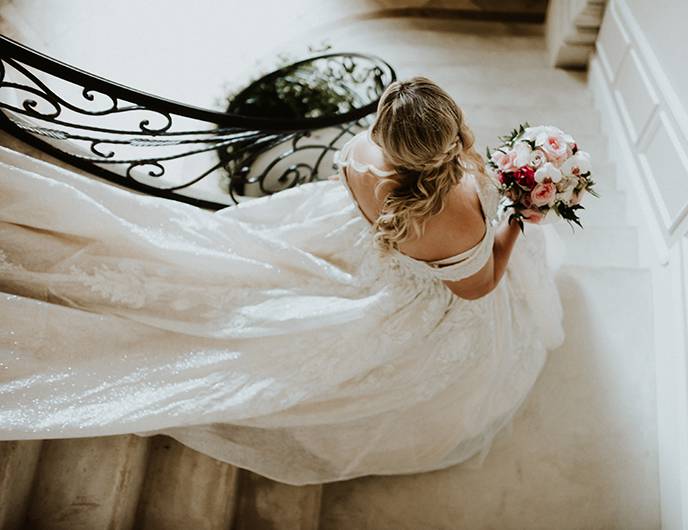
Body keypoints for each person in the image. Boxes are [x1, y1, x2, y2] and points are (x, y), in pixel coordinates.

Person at [0, 76, 564, 485]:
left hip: (362, 248)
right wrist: (514, 221)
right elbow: (477, 287)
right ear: (451, 129)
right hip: (412, 291)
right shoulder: (460, 215)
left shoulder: (366, 151)